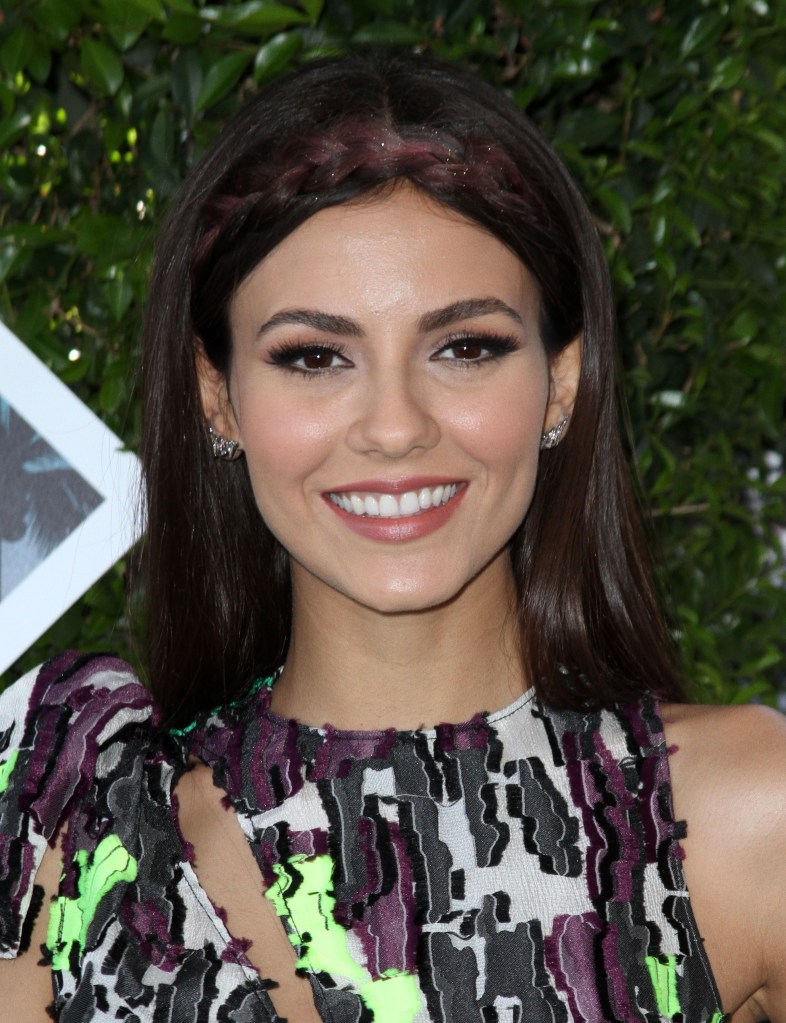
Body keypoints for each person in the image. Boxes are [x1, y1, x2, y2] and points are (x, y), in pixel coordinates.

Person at [0, 49, 784, 1023]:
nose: (395, 427)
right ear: (218, 396)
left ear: (562, 383)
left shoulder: (745, 819)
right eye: (314, 357)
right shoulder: (91, 857)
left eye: (465, 347)